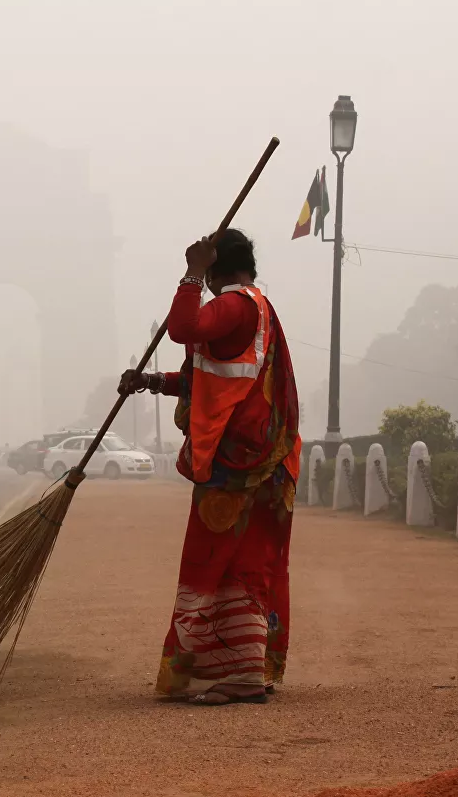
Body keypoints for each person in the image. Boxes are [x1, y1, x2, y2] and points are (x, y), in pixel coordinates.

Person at [118, 230, 300, 706]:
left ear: (218, 269)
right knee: (248, 561)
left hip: (238, 462)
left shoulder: (236, 305)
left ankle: (235, 676)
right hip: (263, 460)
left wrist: (191, 273)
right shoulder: (257, 309)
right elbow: (211, 375)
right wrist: (154, 380)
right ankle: (245, 670)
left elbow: (183, 328)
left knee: (216, 562)